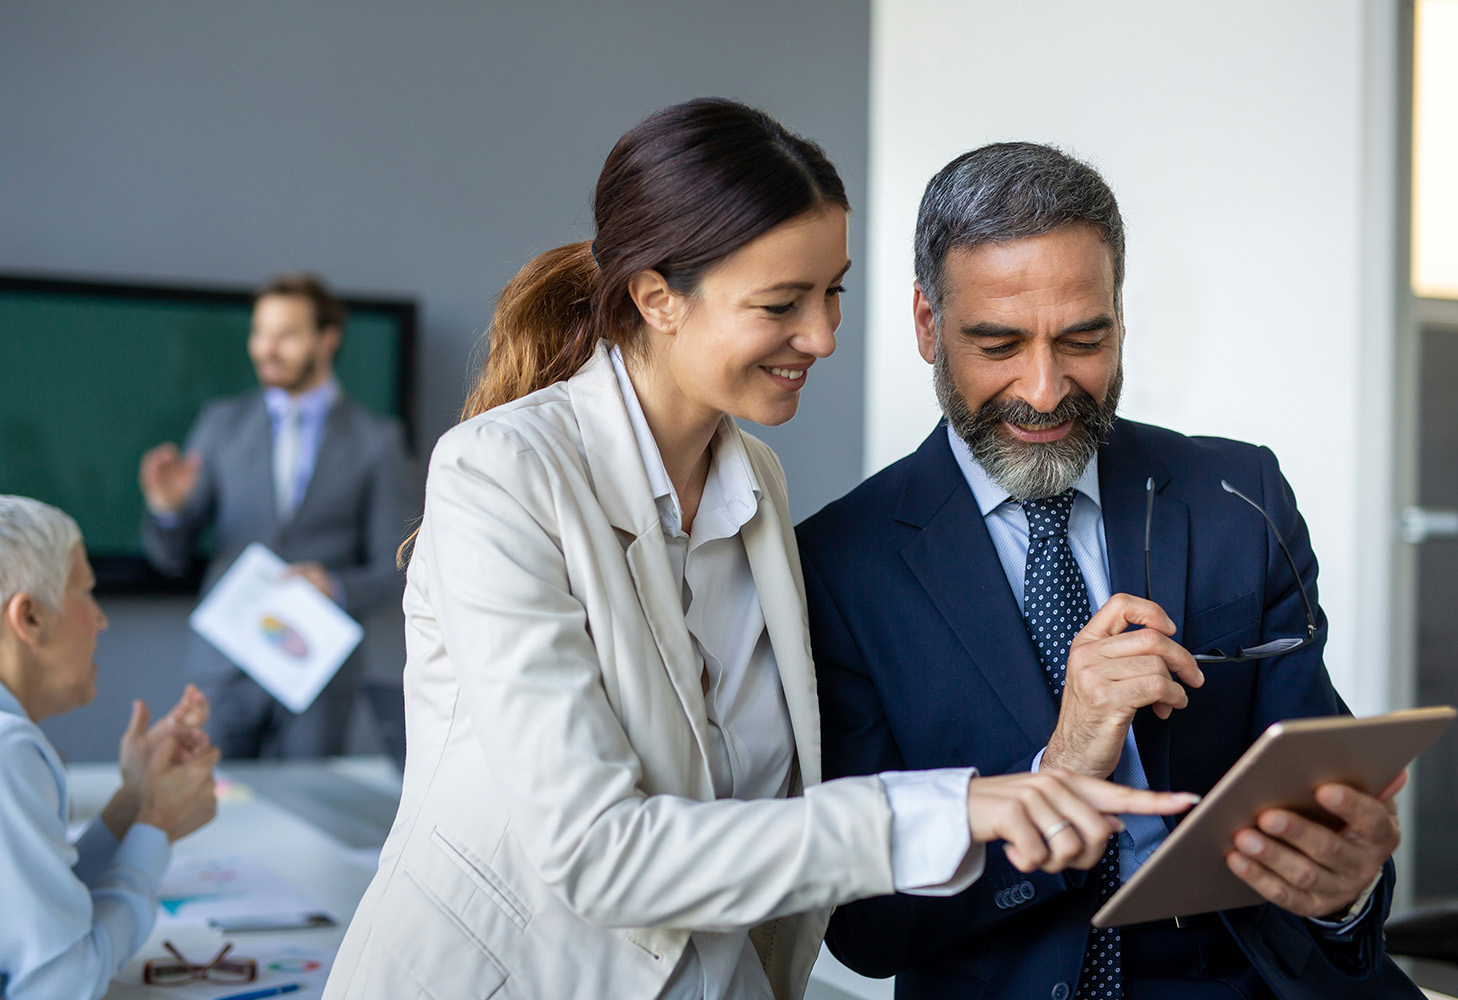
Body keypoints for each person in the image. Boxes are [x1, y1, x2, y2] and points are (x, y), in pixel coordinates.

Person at [323, 101, 1195, 1000]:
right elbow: (598, 856)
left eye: (833, 293)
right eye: (782, 303)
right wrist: (956, 807)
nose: (822, 337)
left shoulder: (758, 488)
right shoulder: (498, 474)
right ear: (657, 297)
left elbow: (761, 821)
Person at [797, 142, 1421, 1000]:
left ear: (1120, 319)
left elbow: (1314, 803)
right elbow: (865, 928)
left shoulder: (1242, 495)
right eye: (1000, 344)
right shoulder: (838, 565)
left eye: (1083, 339)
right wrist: (1062, 765)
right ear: (925, 326)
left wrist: (1342, 892)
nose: (1047, 391)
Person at [138, 273, 414, 758]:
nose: (266, 348)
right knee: (208, 810)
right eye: (259, 333)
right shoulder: (221, 424)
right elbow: (171, 556)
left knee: (309, 821)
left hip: (318, 673)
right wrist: (169, 509)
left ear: (327, 339)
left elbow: (401, 568)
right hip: (224, 667)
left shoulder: (377, 439)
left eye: (285, 335)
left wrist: (337, 587)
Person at [0, 495, 220, 1000]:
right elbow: (62, 982)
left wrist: (135, 802)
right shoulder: (9, 750)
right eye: (88, 592)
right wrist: (156, 825)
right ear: (29, 617)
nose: (100, 620)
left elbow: (44, 907)